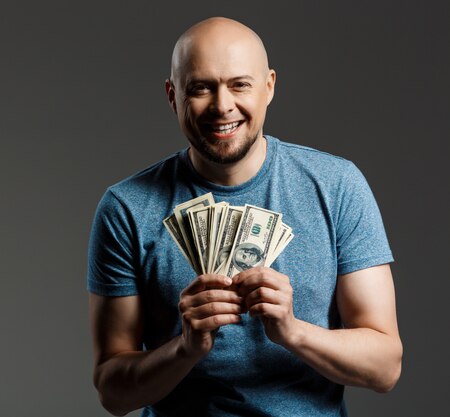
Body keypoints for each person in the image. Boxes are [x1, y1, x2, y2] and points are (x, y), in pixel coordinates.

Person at [87, 17, 402, 417]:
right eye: (201, 88)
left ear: (269, 87)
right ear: (172, 96)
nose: (222, 106)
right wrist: (185, 349)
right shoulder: (126, 207)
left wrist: (293, 331)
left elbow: (386, 368)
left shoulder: (337, 186)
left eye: (240, 84)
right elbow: (113, 394)